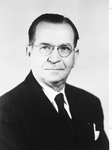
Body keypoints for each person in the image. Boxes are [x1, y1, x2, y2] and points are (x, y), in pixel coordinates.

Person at [0, 13, 109, 150]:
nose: (54, 58)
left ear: (75, 57)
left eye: (64, 48)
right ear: (29, 53)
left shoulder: (90, 103)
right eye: (45, 47)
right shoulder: (6, 110)